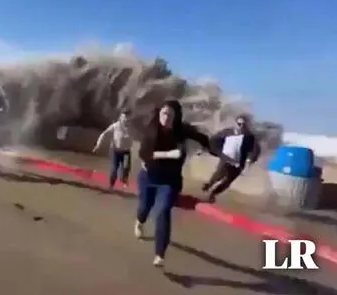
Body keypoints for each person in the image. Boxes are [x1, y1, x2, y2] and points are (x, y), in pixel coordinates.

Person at [135, 100, 210, 267]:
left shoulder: (182, 130)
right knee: (144, 208)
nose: (166, 117)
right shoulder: (152, 129)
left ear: (176, 117)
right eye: (164, 113)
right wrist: (169, 154)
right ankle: (140, 222)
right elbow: (143, 153)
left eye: (170, 114)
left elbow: (204, 138)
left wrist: (207, 149)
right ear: (159, 113)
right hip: (148, 177)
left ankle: (159, 254)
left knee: (162, 211)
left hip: (170, 181)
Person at [202, 114, 261, 202]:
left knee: (227, 181)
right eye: (239, 124)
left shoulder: (249, 137)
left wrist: (249, 160)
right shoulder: (226, 132)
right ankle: (209, 185)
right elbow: (213, 140)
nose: (241, 126)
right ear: (235, 124)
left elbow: (255, 149)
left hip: (239, 163)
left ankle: (213, 194)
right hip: (226, 159)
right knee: (219, 175)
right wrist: (209, 149)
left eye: (243, 124)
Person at [92, 108, 133, 190]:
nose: (126, 119)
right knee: (114, 170)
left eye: (127, 117)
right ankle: (111, 186)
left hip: (126, 153)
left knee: (126, 169)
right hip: (116, 152)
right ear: (120, 117)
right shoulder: (115, 126)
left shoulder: (131, 128)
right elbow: (104, 134)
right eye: (124, 117)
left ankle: (124, 183)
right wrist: (98, 144)